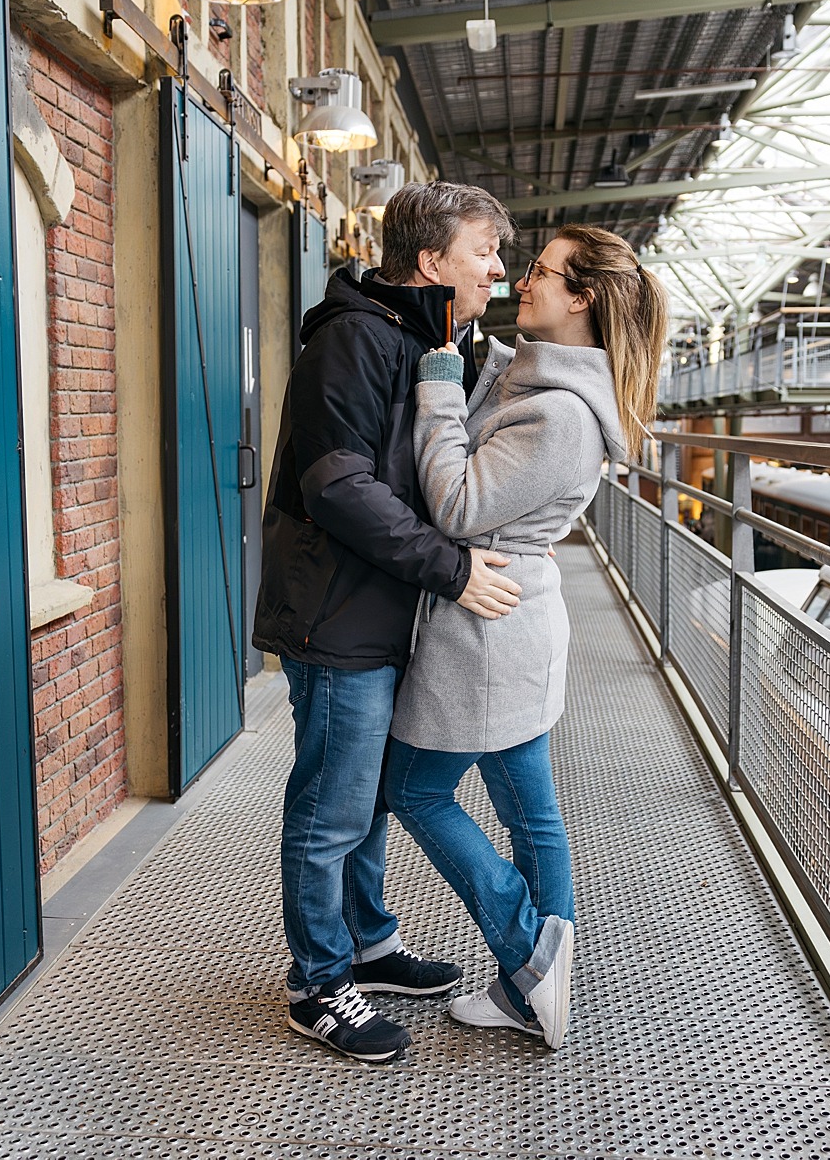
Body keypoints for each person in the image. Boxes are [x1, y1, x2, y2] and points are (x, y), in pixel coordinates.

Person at [252, 181, 527, 1064]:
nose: (498, 267)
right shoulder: (357, 339)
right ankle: (317, 982)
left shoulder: (418, 338)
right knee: (332, 807)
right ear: (429, 261)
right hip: (336, 615)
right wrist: (451, 570)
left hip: (381, 610)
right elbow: (339, 487)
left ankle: (368, 944)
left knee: (364, 794)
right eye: (483, 250)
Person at [383, 225, 669, 1049]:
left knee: (415, 789)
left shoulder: (564, 417)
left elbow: (460, 507)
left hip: (487, 635)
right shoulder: (539, 377)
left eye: (541, 272)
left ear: (582, 298)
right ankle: (527, 991)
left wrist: (439, 381)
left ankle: (532, 954)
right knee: (530, 813)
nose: (521, 279)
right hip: (511, 626)